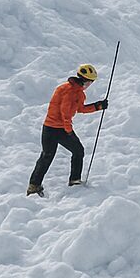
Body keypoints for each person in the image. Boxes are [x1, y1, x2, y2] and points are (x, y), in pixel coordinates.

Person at [27, 63, 108, 195]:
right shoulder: (70, 92)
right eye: (89, 83)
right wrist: (69, 132)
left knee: (48, 156)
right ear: (85, 81)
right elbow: (65, 115)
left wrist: (98, 106)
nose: (89, 85)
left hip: (50, 128)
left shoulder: (75, 91)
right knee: (75, 152)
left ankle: (35, 186)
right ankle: (71, 180)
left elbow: (80, 109)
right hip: (57, 129)